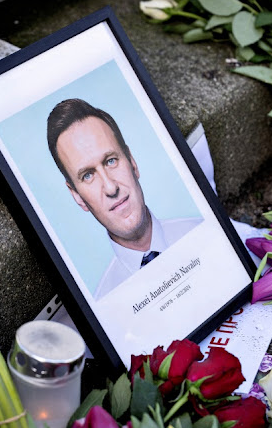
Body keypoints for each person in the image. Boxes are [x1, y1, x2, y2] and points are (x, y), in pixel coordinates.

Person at [47, 98, 201, 300]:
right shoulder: (104, 304)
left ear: (132, 162)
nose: (111, 187)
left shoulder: (203, 232)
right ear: (77, 196)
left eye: (111, 161)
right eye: (88, 175)